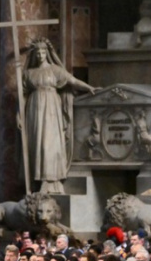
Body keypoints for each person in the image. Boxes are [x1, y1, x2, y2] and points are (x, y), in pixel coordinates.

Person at [23, 37, 96, 194]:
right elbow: (22, 95)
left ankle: (51, 180)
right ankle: (38, 180)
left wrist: (89, 88)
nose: (40, 54)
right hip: (34, 109)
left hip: (50, 108)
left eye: (43, 51)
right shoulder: (29, 73)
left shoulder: (55, 70)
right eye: (37, 52)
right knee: (37, 144)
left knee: (49, 143)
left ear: (48, 52)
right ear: (34, 54)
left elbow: (73, 81)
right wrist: (18, 114)